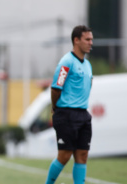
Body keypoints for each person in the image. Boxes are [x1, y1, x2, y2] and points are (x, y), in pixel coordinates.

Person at [45, 25, 93, 184]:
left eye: (91, 39)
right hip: (66, 114)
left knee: (82, 155)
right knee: (64, 156)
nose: (90, 43)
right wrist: (55, 108)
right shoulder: (66, 62)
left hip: (83, 115)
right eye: (87, 39)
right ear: (76, 40)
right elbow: (56, 87)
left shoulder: (87, 65)